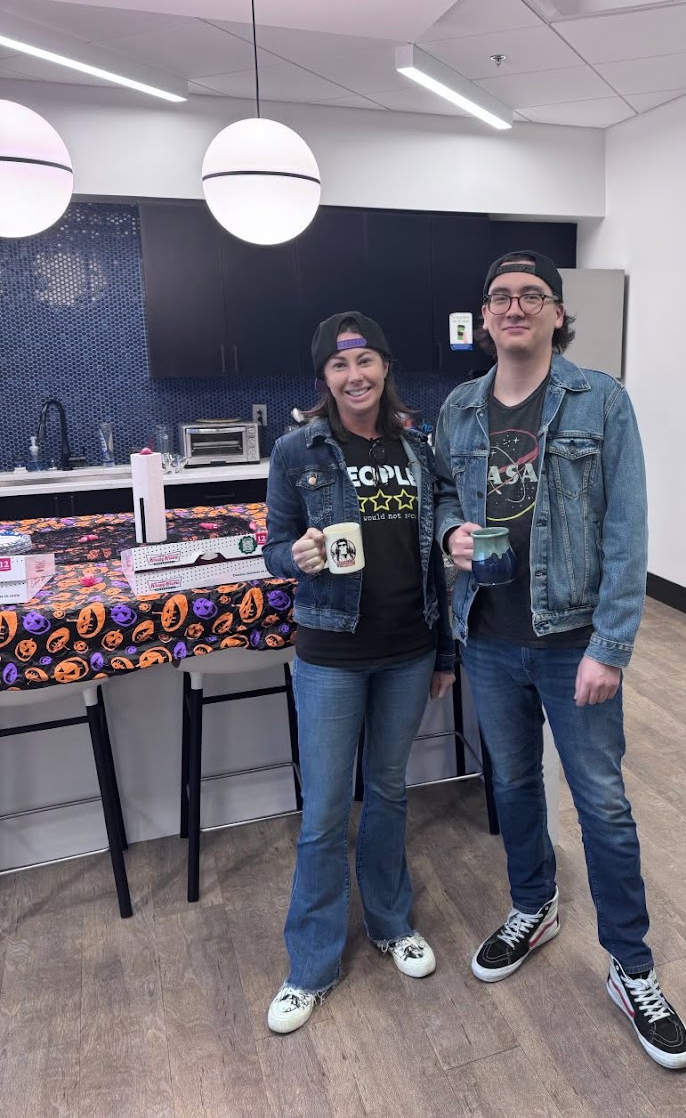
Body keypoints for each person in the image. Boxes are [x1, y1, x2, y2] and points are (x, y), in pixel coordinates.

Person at [434, 251, 686, 1070]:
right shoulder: (458, 408)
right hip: (488, 634)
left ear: (555, 313)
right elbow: (443, 490)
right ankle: (532, 905)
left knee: (602, 806)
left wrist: (611, 645)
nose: (514, 308)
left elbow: (628, 528)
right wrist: (449, 532)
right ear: (484, 319)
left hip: (574, 641)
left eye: (530, 297)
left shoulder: (601, 401)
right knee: (511, 786)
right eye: (500, 297)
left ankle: (630, 965)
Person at [263, 310, 455, 1035]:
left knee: (387, 792)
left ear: (383, 367)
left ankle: (389, 922)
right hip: (332, 651)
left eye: (366, 362)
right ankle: (308, 965)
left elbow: (436, 550)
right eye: (340, 367)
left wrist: (444, 651)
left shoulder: (415, 443)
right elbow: (273, 543)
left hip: (408, 648)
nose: (355, 377)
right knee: (321, 815)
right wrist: (296, 556)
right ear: (324, 378)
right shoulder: (296, 448)